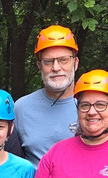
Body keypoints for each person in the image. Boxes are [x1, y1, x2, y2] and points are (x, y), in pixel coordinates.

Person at [13, 25, 81, 165]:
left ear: (75, 63)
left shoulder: (93, 108)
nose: (56, 68)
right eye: (48, 61)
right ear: (39, 66)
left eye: (63, 60)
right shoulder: (21, 108)